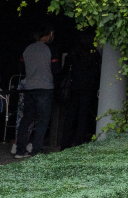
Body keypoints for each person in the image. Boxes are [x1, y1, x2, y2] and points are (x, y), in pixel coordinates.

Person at [15, 24, 59, 159]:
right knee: (42, 120)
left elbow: (21, 69)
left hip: (29, 87)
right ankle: (36, 150)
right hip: (45, 88)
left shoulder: (28, 48)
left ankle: (20, 150)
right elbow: (56, 69)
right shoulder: (51, 49)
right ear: (49, 34)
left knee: (26, 119)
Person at [59, 31, 101, 150]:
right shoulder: (94, 53)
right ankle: (78, 142)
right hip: (88, 88)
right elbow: (97, 73)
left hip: (73, 87)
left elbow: (65, 71)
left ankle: (65, 143)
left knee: (70, 115)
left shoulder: (73, 52)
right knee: (83, 116)